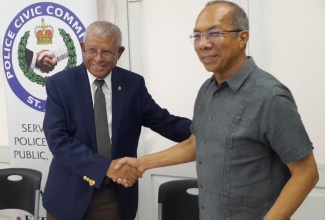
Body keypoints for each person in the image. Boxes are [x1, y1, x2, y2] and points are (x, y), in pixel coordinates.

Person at [115, 1, 319, 219]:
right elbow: (197, 143)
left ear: (243, 38)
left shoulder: (269, 97)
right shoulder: (208, 90)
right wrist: (142, 163)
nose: (203, 44)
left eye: (214, 33)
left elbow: (306, 173)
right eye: (198, 36)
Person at [42, 21, 191, 220]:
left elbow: (166, 123)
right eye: (92, 50)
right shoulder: (60, 84)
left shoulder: (133, 84)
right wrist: (105, 168)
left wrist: (209, 131)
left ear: (119, 53)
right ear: (82, 47)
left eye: (107, 52)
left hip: (112, 193)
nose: (98, 58)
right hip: (68, 193)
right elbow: (57, 139)